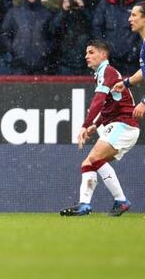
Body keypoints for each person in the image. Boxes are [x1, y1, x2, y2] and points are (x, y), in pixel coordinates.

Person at [60, 40, 137, 217]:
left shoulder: (107, 71)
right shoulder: (104, 73)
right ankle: (85, 204)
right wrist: (96, 124)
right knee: (88, 163)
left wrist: (85, 125)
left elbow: (99, 101)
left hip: (124, 125)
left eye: (91, 52)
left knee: (94, 158)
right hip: (118, 124)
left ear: (103, 55)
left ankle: (121, 200)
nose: (86, 56)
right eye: (86, 53)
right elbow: (111, 104)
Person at [1, 0, 55, 74]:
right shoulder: (13, 13)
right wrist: (14, 49)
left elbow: (53, 36)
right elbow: (5, 34)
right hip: (19, 65)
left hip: (41, 65)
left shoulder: (47, 14)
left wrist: (45, 50)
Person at [92, 0, 140, 75]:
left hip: (132, 60)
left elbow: (142, 30)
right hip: (110, 59)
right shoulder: (104, 4)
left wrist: (135, 50)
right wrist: (104, 50)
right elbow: (97, 28)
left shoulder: (138, 5)